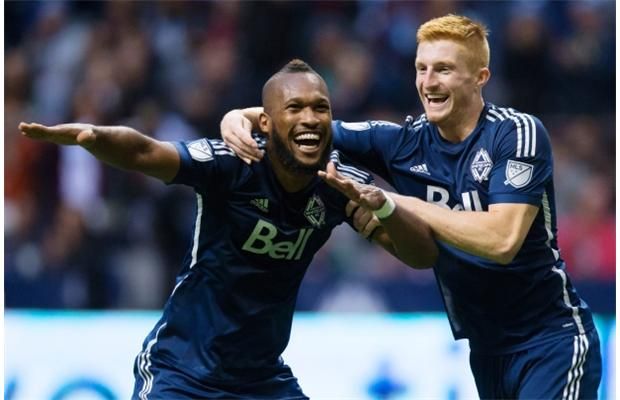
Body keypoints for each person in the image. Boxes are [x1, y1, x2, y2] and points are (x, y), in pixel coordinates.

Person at [219, 15, 602, 400]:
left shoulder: (516, 133)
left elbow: (501, 240)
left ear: (480, 77)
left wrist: (397, 202)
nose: (429, 82)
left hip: (552, 340)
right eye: (422, 69)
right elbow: (308, 123)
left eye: (444, 70)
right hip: (487, 350)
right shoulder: (404, 142)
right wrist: (241, 116)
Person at [19, 59, 437, 399]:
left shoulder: (337, 184)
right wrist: (94, 137)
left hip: (262, 380)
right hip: (182, 371)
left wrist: (387, 211)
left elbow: (421, 257)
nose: (310, 118)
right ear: (267, 123)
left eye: (320, 107)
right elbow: (147, 151)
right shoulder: (233, 163)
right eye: (295, 108)